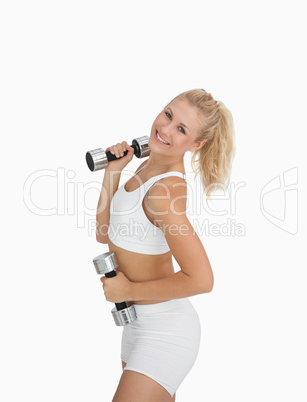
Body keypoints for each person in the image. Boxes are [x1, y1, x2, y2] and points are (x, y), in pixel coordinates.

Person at [95, 88, 235, 401]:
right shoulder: (144, 169)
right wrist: (113, 172)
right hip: (135, 327)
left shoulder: (165, 194)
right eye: (168, 115)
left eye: (181, 129)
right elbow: (104, 232)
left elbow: (202, 279)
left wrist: (128, 291)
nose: (165, 128)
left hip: (166, 330)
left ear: (196, 145)